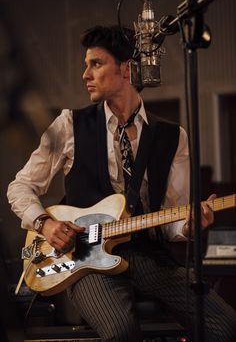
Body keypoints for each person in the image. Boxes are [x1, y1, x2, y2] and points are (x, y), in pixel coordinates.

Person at [7, 25, 236, 342]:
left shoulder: (174, 136)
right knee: (121, 333)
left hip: (149, 256)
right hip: (84, 259)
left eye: (96, 64)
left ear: (126, 68)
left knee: (226, 327)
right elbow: (19, 187)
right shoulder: (68, 124)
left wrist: (190, 226)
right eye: (86, 64)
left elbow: (171, 220)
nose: (86, 74)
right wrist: (45, 224)